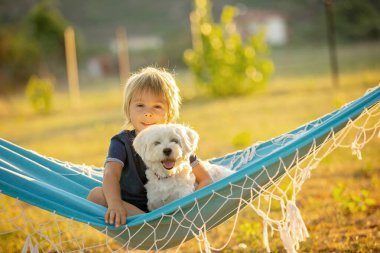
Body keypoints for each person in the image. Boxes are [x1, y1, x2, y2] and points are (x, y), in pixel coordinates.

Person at [87, 67, 213, 228]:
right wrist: (115, 203)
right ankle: (153, 226)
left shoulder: (175, 142)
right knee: (95, 195)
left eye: (157, 107)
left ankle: (162, 225)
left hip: (170, 208)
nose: (148, 113)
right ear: (128, 110)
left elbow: (206, 179)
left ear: (169, 113)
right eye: (140, 105)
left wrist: (189, 206)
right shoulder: (122, 141)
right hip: (131, 210)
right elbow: (111, 173)